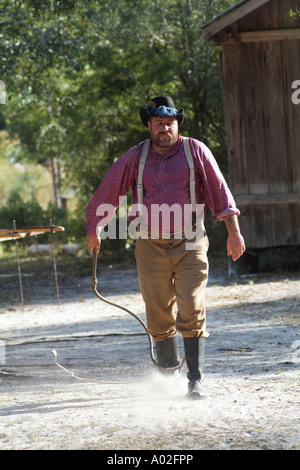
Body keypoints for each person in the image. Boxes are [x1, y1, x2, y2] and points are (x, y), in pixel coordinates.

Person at [86, 96, 245, 399]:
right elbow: (109, 189)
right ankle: (167, 376)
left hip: (191, 242)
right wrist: (94, 226)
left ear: (177, 125)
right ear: (149, 125)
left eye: (169, 123)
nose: (164, 128)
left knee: (192, 306)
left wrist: (233, 232)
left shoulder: (195, 150)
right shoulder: (135, 157)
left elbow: (219, 190)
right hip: (149, 244)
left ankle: (195, 379)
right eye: (158, 123)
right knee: (157, 312)